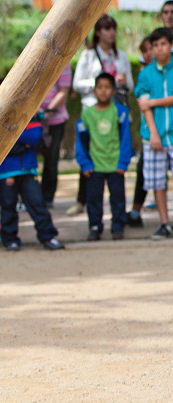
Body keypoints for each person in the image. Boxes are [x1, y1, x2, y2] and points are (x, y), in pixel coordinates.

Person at [71, 14, 134, 217]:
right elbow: (77, 84)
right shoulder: (88, 55)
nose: (111, 32)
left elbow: (130, 87)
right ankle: (83, 202)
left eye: (113, 28)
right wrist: (100, 85)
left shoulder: (121, 56)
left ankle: (118, 217)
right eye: (107, 28)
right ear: (98, 32)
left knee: (113, 158)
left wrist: (120, 83)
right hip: (93, 113)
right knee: (90, 159)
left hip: (115, 113)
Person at [0, 80, 64, 252]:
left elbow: (34, 136)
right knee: (8, 206)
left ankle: (48, 236)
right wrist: (20, 143)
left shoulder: (30, 112)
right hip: (6, 171)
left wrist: (12, 141)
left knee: (37, 203)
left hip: (28, 169)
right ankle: (10, 239)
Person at [75, 73, 133, 241]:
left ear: (113, 90)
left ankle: (118, 226)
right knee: (93, 199)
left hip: (115, 165)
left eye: (107, 87)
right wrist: (84, 164)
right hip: (95, 165)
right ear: (94, 90)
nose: (103, 91)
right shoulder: (87, 115)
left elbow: (125, 139)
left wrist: (123, 162)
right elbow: (81, 141)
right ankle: (95, 227)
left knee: (117, 198)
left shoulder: (120, 112)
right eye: (99, 87)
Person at [135, 28, 173, 239]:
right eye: (155, 45)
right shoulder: (146, 73)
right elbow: (143, 105)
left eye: (163, 44)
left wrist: (153, 102)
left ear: (170, 45)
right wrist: (154, 134)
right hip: (155, 136)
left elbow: (150, 102)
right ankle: (165, 223)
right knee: (158, 183)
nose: (159, 49)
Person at [127, 35, 154, 228]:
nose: (149, 53)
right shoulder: (145, 74)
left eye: (150, 49)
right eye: (144, 51)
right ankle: (136, 211)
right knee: (143, 170)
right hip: (150, 132)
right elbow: (143, 105)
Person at [38, 63, 72, 208]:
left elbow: (63, 91)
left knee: (51, 159)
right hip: (35, 120)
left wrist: (47, 111)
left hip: (55, 120)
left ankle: (47, 197)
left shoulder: (64, 63)